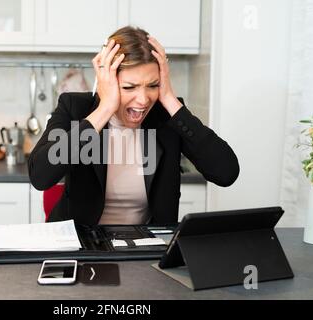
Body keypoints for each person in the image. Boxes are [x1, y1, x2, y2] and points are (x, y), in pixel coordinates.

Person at [28, 26, 240, 225]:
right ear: (106, 82)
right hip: (83, 245)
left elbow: (226, 172)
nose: (143, 99)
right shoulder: (75, 107)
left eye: (153, 85)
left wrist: (168, 98)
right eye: (129, 87)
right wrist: (105, 108)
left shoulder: (166, 116)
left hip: (146, 248)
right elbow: (40, 176)